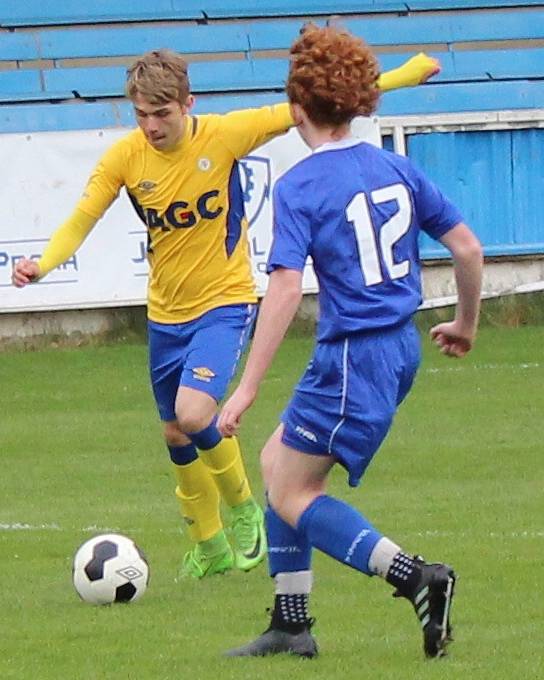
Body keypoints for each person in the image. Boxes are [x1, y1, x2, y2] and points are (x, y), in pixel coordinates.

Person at [12, 46, 443, 580]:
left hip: (225, 301)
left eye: (162, 114)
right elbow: (82, 218)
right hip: (164, 312)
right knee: (174, 432)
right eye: (142, 114)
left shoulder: (225, 135)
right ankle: (208, 544)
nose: (151, 126)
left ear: (188, 104)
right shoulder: (125, 158)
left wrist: (405, 74)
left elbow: (320, 99)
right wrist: (44, 264)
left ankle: (243, 511)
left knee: (196, 416)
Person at [217, 23, 483, 658]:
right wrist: (467, 325)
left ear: (296, 107)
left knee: (292, 490)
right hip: (398, 349)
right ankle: (291, 622)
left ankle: (416, 576)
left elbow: (283, 292)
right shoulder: (395, 167)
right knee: (279, 458)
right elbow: (468, 249)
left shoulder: (301, 185)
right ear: (366, 101)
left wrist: (245, 388)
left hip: (350, 358)